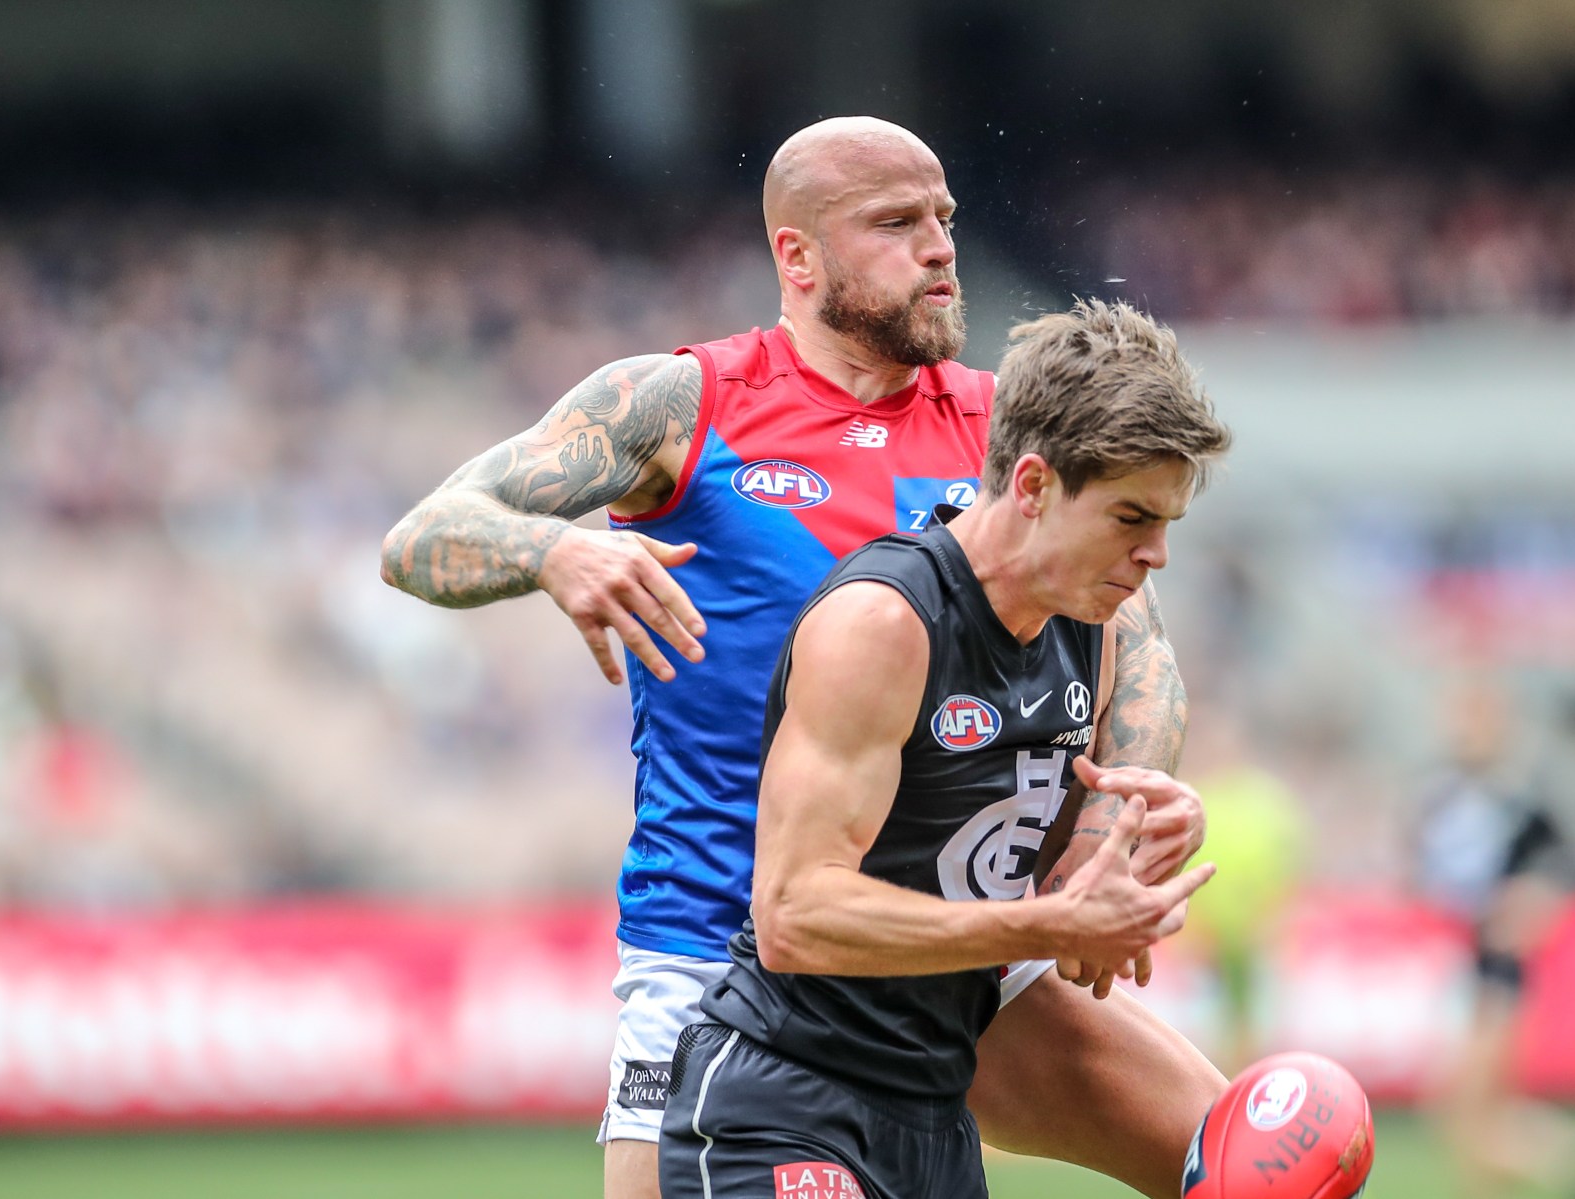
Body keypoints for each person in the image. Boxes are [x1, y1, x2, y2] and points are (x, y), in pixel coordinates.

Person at [381, 117, 1223, 1199]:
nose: (939, 247)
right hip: (725, 952)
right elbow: (421, 537)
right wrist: (553, 551)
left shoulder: (1002, 427)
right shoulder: (684, 404)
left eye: (945, 218)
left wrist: (1103, 834)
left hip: (958, 943)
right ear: (799, 255)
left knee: (1250, 1161)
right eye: (897, 222)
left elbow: (1139, 650)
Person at [658, 298, 1229, 1199]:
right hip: (785, 1099)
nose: (1155, 554)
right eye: (1130, 518)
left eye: (1167, 524)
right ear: (1032, 485)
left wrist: (1125, 831)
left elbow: (1046, 819)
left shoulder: (1088, 622)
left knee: (1254, 1164)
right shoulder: (884, 620)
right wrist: (1052, 924)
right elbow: (792, 915)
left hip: (934, 1111)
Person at [1413, 676, 1575, 1199]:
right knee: (1470, 1113)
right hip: (1465, 962)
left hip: (1499, 969)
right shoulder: (1443, 795)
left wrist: (1540, 898)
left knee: (1468, 1107)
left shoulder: (1519, 797)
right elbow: (1430, 874)